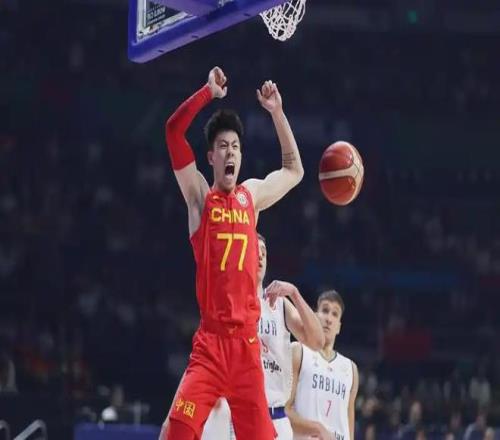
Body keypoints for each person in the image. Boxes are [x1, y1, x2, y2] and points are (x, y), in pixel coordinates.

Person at [160, 66, 304, 440]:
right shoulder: (200, 198)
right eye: (223, 146)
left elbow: (294, 170)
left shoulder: (250, 196)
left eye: (236, 146)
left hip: (246, 349)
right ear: (210, 156)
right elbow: (173, 131)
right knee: (177, 430)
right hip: (210, 346)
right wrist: (207, 92)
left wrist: (277, 113)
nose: (230, 152)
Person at [201, 233, 324, 440]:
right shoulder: (230, 302)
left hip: (276, 419)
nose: (260, 257)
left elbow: (317, 341)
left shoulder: (280, 304)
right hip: (240, 418)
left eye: (264, 253)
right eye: (254, 251)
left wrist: (294, 293)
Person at [286, 290, 359, 440]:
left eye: (335, 314)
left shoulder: (351, 369)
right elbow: (283, 411)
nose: (329, 319)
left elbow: (349, 428)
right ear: (314, 316)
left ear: (339, 327)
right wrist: (317, 429)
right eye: (325, 311)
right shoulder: (299, 352)